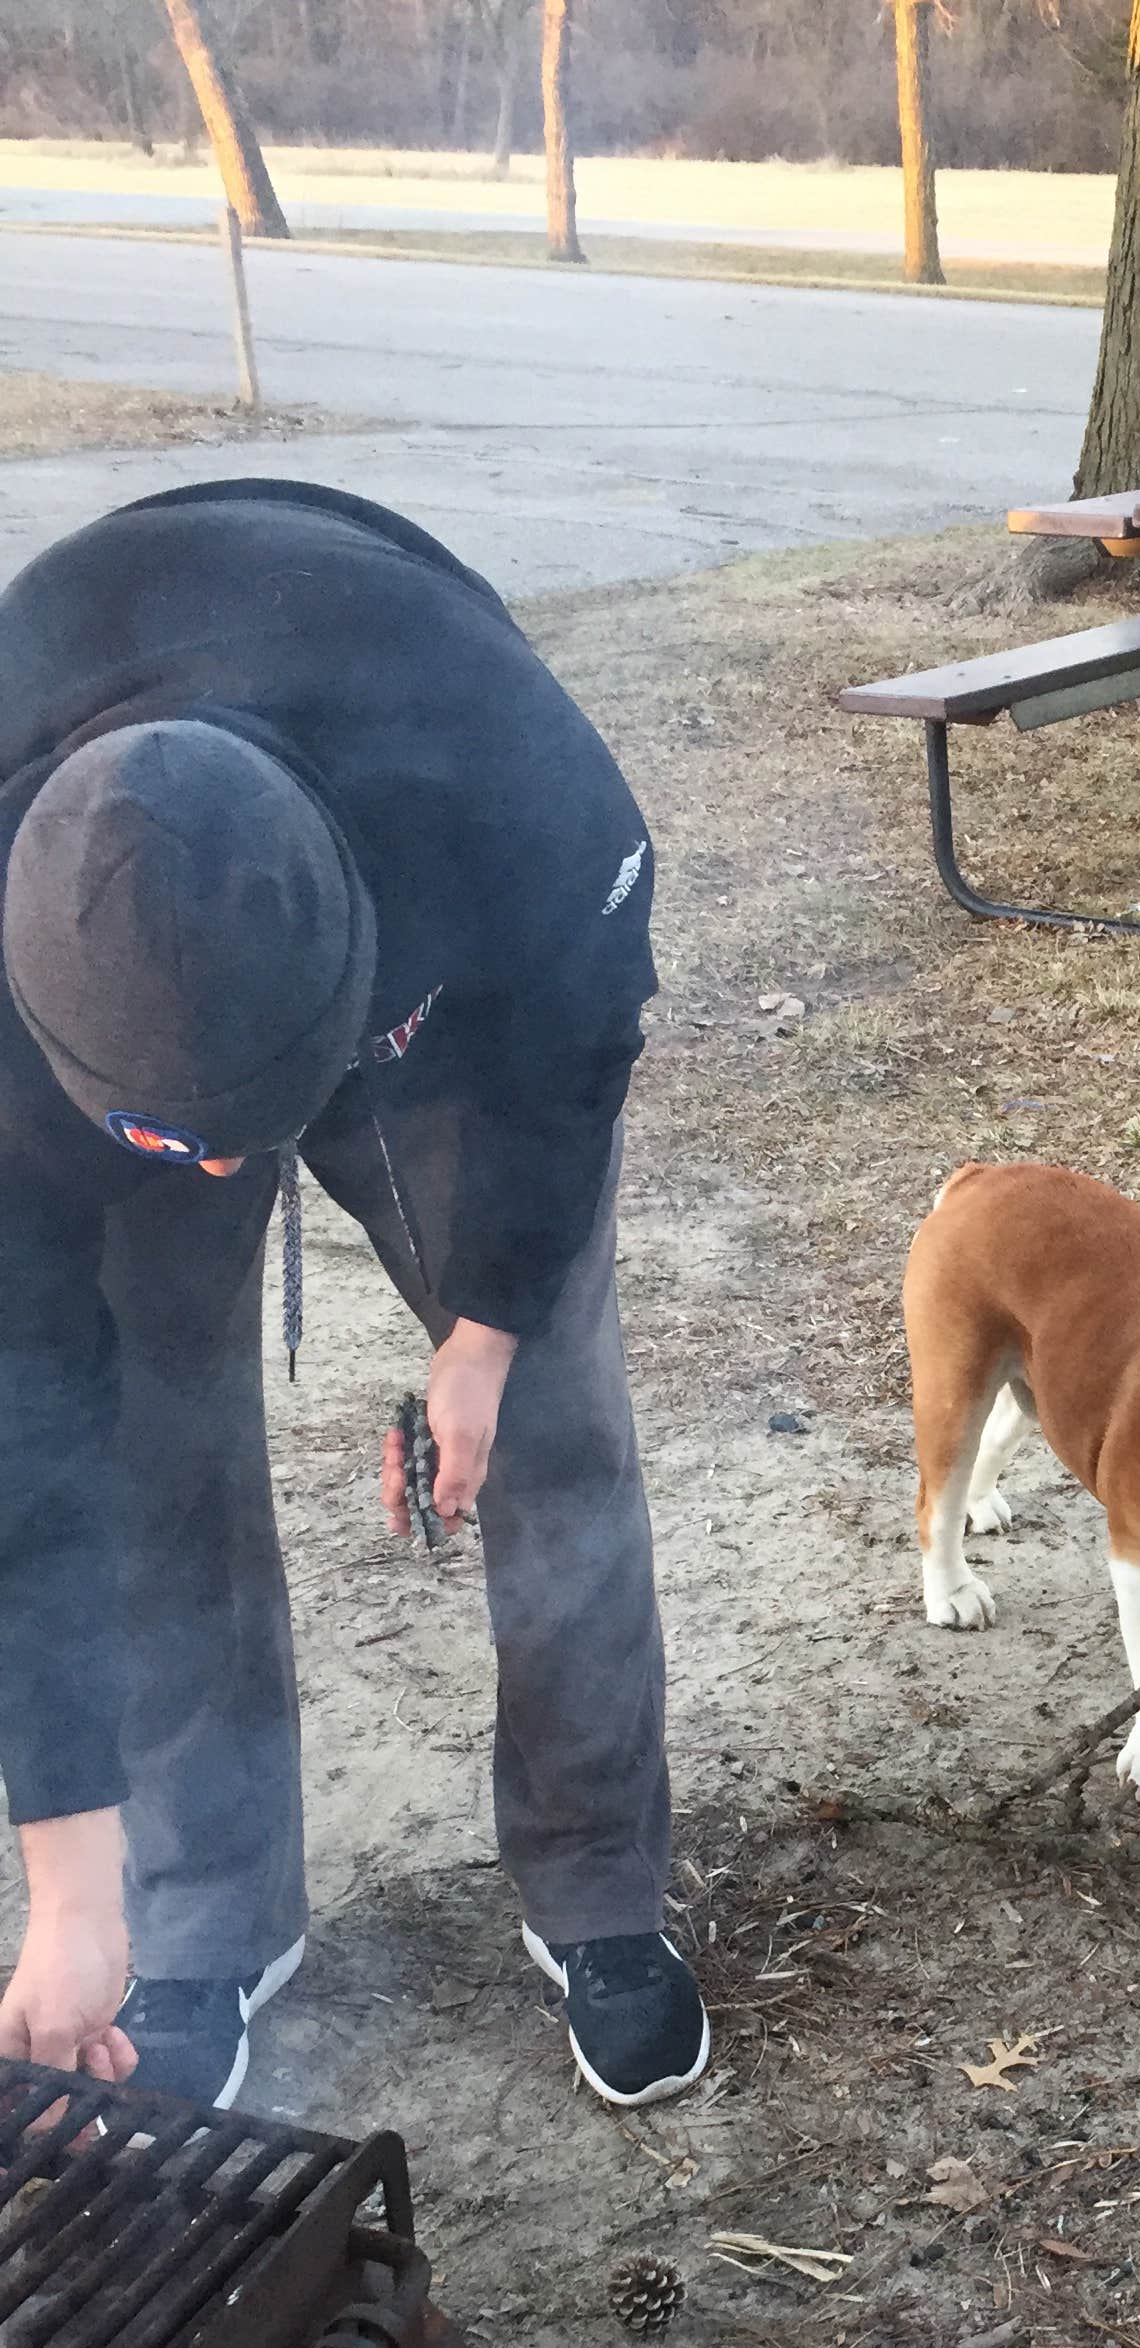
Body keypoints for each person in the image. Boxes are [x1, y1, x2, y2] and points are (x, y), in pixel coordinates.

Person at [0, 481, 710, 2113]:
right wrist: (70, 1882)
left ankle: (598, 1881)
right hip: (91, 1015)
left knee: (553, 1414)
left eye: (237, 1133)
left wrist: (488, 1326)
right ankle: (197, 1919)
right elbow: (32, 1458)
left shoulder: (500, 775)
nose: (218, 1175)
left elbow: (576, 1045)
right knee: (146, 1452)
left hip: (416, 928)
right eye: (177, 1147)